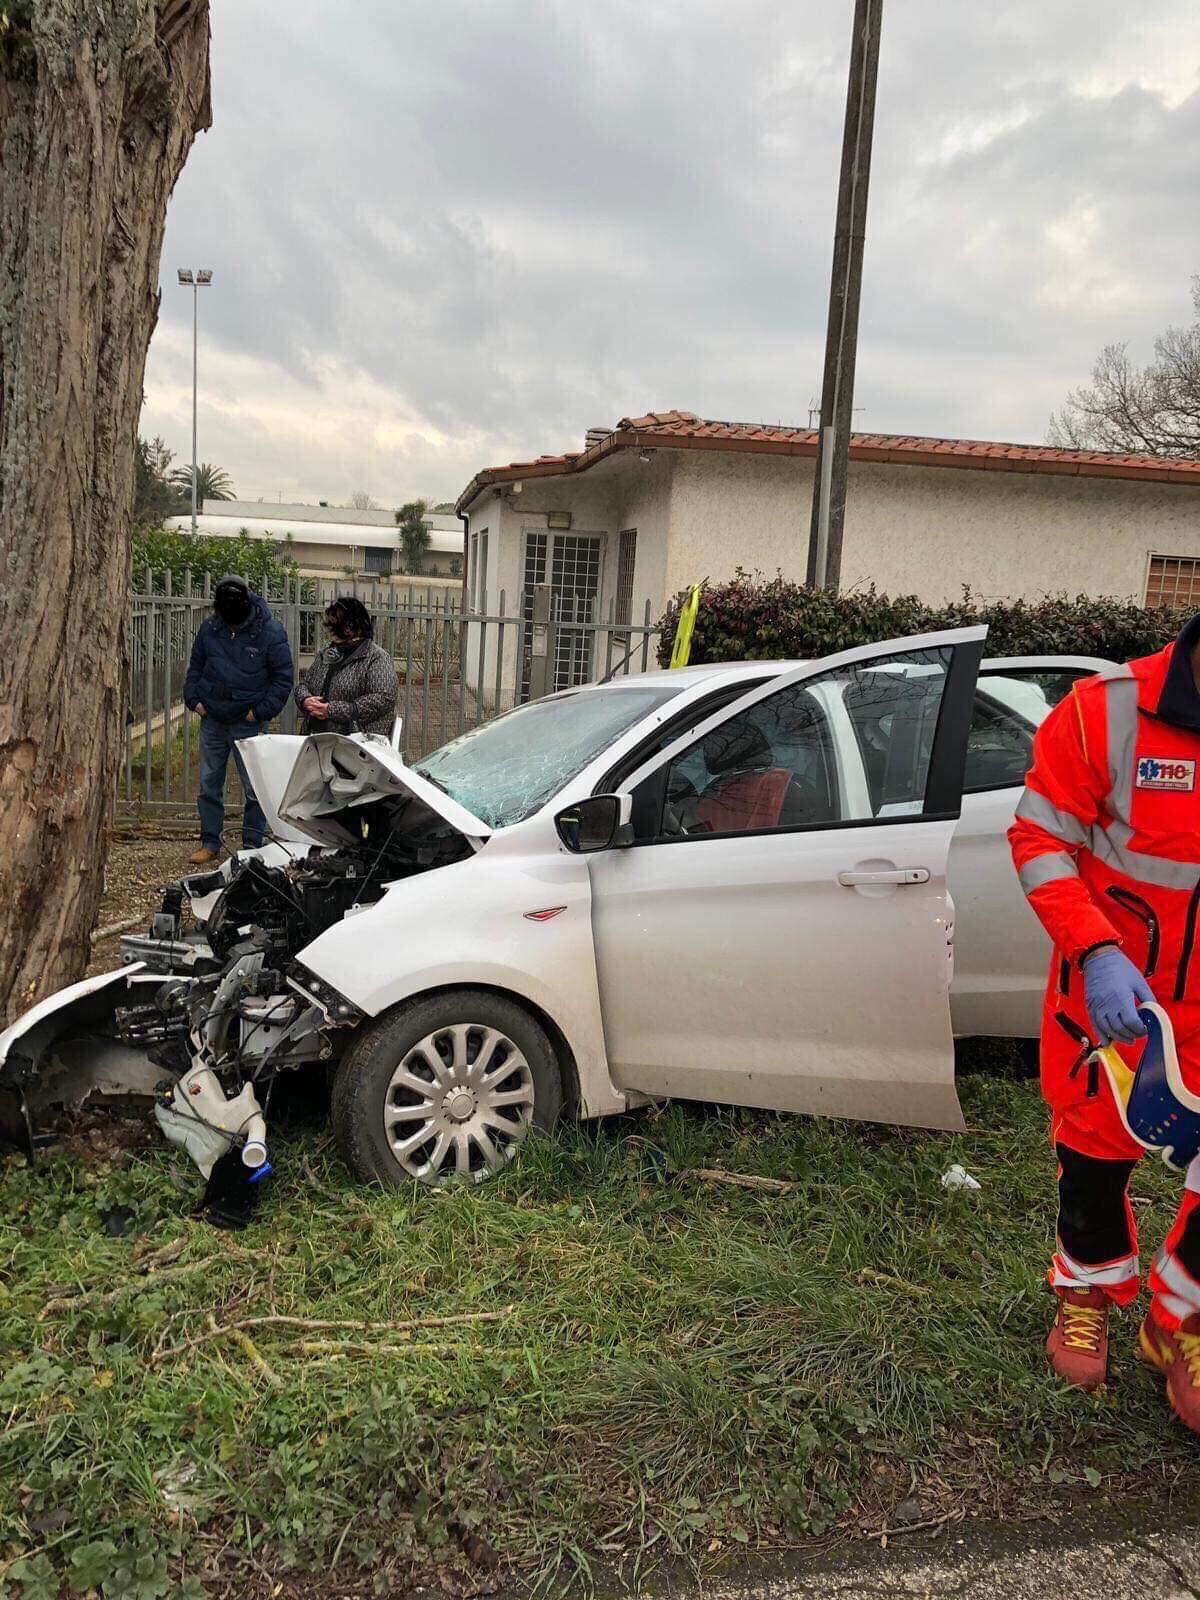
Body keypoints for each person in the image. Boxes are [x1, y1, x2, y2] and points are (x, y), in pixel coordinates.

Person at [1009, 616, 1200, 1431]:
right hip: (1117, 1005)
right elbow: (1039, 835)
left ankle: (1180, 1321)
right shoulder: (1106, 712)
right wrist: (1093, 950)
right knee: (1092, 1163)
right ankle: (1086, 1295)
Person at [183, 574, 294, 866]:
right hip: (213, 720)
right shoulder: (210, 628)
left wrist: (257, 712)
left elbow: (282, 680)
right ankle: (210, 842)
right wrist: (194, 700)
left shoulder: (270, 632)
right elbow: (195, 667)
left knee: (254, 787)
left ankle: (252, 846)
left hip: (249, 723)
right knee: (209, 784)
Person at [293, 596, 398, 736]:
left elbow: (384, 699)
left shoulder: (376, 657)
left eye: (335, 625)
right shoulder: (327, 654)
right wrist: (305, 699)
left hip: (356, 745)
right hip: (316, 737)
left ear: (352, 627)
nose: (330, 629)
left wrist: (332, 710)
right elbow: (303, 685)